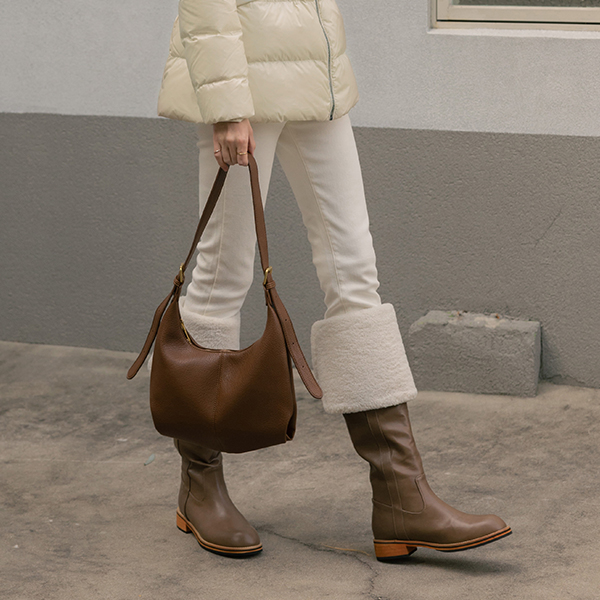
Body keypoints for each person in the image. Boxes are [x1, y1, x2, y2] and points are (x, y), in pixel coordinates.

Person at [153, 0, 511, 561]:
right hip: (246, 85)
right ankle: (200, 486)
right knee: (224, 276)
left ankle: (401, 497)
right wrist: (227, 107)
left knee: (355, 274)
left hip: (316, 80)